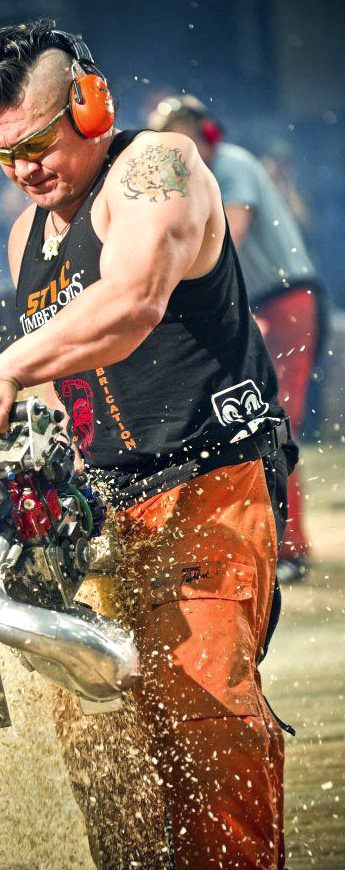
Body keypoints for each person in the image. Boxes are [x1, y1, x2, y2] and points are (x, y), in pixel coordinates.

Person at [0, 20, 297, 868]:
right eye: (3, 154)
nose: (25, 168)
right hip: (98, 512)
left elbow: (132, 300)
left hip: (205, 483)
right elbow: (59, 378)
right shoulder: (28, 232)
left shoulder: (155, 167)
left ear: (88, 103)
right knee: (104, 749)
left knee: (206, 722)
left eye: (36, 141)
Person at [148, 95, 328, 583]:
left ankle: (291, 549)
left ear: (207, 133)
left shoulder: (230, 164)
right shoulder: (198, 176)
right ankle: (277, 544)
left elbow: (229, 238)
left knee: (275, 424)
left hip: (285, 301)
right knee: (257, 422)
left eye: (187, 132)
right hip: (260, 306)